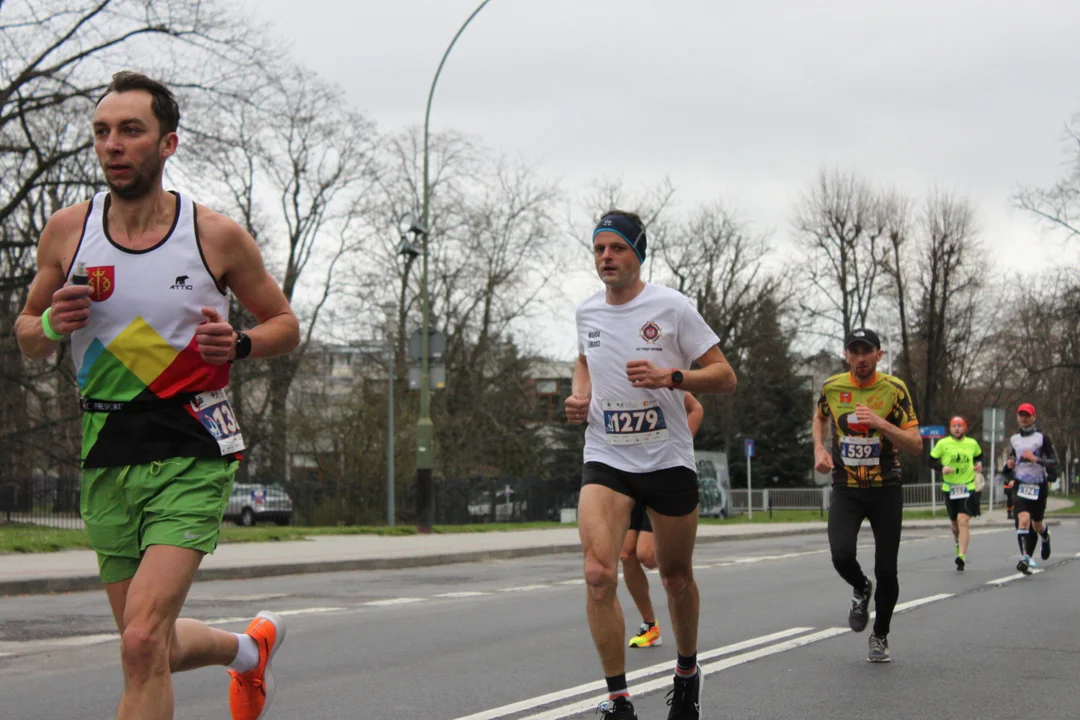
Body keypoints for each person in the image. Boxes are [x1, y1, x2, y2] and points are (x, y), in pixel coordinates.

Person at [14, 71, 300, 720]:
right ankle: (248, 652)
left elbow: (284, 325)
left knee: (140, 640)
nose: (112, 144)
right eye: (102, 132)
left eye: (130, 131)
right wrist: (54, 323)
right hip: (107, 447)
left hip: (191, 446)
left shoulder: (214, 235)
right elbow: (28, 335)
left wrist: (243, 344)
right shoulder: (68, 231)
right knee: (150, 645)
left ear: (168, 144)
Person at [565, 210, 737, 720]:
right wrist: (580, 396)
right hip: (607, 455)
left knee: (676, 577)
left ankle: (686, 673)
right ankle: (619, 701)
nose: (606, 258)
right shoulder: (587, 313)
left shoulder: (672, 307)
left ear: (638, 253)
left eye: (616, 248)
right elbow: (583, 361)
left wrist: (672, 377)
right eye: (598, 250)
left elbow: (725, 376)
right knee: (599, 573)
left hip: (665, 459)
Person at [812, 328, 923, 663]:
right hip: (846, 486)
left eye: (867, 351)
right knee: (841, 554)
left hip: (885, 487)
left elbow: (916, 444)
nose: (861, 358)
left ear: (879, 355)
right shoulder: (832, 387)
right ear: (847, 355)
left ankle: (880, 635)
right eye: (854, 351)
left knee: (887, 569)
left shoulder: (895, 389)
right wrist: (819, 448)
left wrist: (881, 423)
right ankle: (861, 587)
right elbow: (820, 417)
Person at [623, 392, 703, 650]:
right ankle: (650, 625)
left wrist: (681, 445)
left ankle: (679, 565)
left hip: (660, 473)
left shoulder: (652, 374)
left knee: (647, 555)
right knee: (626, 554)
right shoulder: (611, 377)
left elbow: (696, 408)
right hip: (626, 471)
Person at [1005, 403, 1058, 575]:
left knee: (1036, 524)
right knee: (1023, 520)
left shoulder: (1042, 438)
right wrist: (1010, 464)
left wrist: (1035, 459)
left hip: (1038, 485)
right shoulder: (1014, 439)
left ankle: (1045, 535)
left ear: (1034, 417)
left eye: (1027, 415)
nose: (1024, 418)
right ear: (1017, 417)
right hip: (1020, 484)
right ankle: (1025, 557)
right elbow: (1012, 459)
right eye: (1021, 415)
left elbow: (1053, 461)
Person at [928, 416, 983, 571]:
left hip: (967, 487)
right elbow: (930, 461)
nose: (957, 428)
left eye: (960, 426)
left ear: (964, 428)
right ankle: (957, 541)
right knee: (954, 524)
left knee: (963, 519)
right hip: (950, 488)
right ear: (950, 429)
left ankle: (961, 556)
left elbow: (979, 456)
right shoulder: (943, 444)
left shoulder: (972, 443)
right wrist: (941, 468)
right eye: (954, 426)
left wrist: (979, 465)